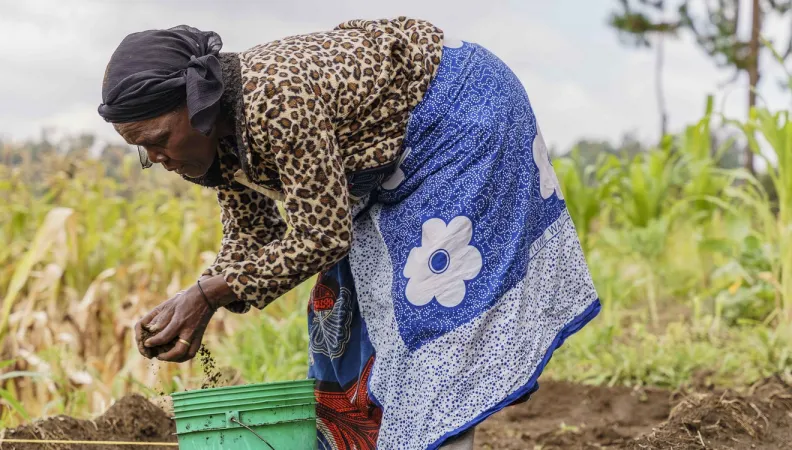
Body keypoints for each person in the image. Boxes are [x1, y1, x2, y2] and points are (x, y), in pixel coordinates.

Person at [98, 17, 600, 450]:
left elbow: (322, 236)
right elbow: (252, 235)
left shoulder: (276, 98)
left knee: (429, 317)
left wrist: (207, 295)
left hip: (459, 119)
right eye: (144, 152)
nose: (158, 159)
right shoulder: (217, 135)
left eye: (159, 140)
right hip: (384, 162)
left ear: (196, 103)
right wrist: (197, 298)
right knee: (337, 319)